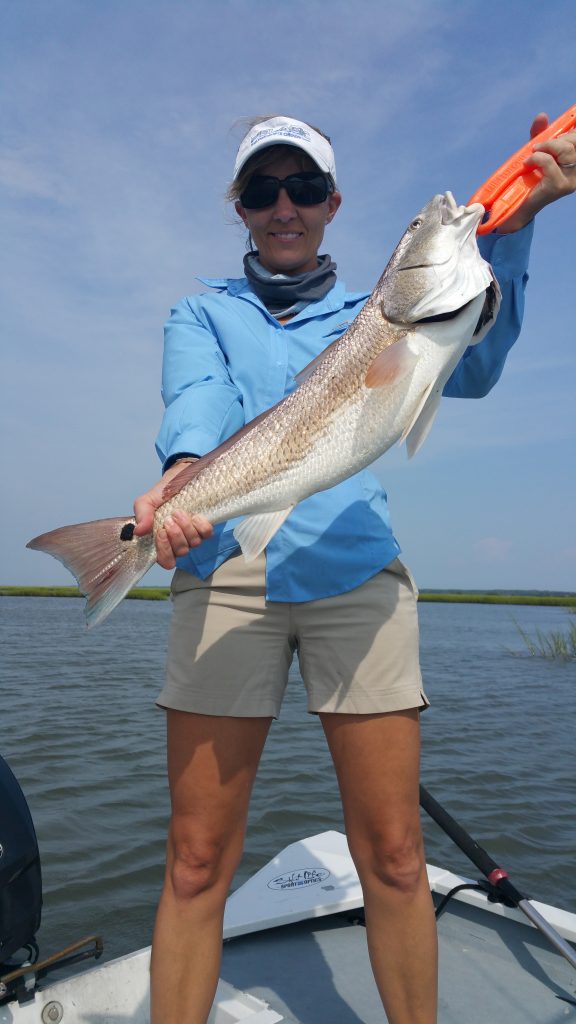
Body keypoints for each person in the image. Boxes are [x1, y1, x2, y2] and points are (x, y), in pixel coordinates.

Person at [134, 114, 576, 1024]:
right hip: (225, 570)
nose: (283, 206)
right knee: (194, 860)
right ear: (240, 209)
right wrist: (182, 476)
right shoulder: (201, 311)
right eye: (262, 191)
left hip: (356, 576)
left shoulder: (385, 314)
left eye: (303, 189)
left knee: (397, 855)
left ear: (335, 205)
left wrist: (522, 222)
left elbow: (480, 366)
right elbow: (199, 401)